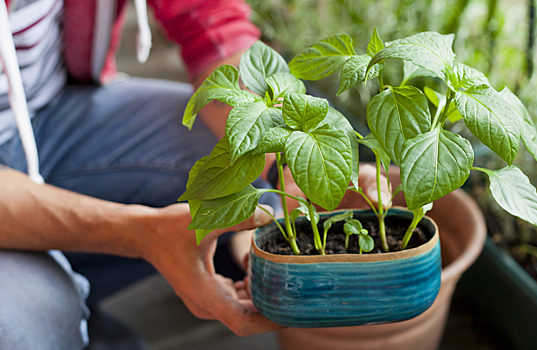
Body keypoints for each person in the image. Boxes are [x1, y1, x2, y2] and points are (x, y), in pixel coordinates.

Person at [0, 0, 390, 349]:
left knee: (231, 159)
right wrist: (139, 231)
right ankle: (69, 315)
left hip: (50, 116)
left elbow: (208, 19)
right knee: (34, 326)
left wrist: (300, 162)